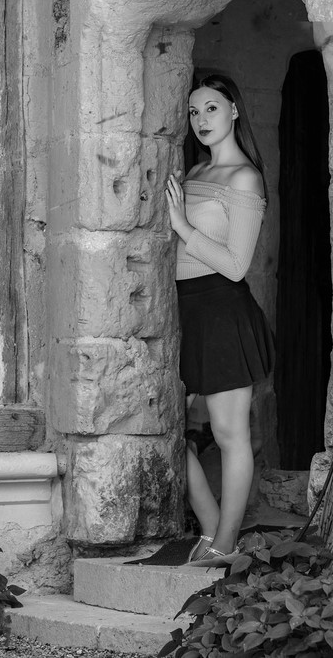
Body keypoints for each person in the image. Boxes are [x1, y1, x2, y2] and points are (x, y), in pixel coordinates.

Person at [165, 74, 274, 566]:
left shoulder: (244, 177)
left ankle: (225, 543)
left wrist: (182, 225)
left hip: (224, 310)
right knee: (168, 429)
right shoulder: (194, 172)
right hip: (183, 310)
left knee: (231, 436)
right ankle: (211, 527)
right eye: (194, 111)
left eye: (211, 108)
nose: (201, 119)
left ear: (233, 110)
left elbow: (235, 265)